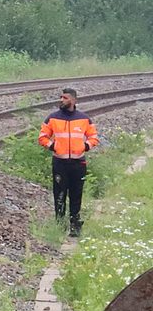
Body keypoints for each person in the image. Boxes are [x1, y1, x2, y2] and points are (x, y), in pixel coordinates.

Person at [38, 88, 99, 237]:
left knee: (76, 194)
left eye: (65, 98)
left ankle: (75, 224)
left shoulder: (84, 119)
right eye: (61, 97)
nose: (61, 100)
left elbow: (94, 137)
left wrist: (85, 146)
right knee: (59, 194)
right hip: (60, 163)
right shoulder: (52, 118)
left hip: (78, 164)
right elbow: (42, 137)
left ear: (73, 100)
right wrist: (53, 146)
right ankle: (59, 225)